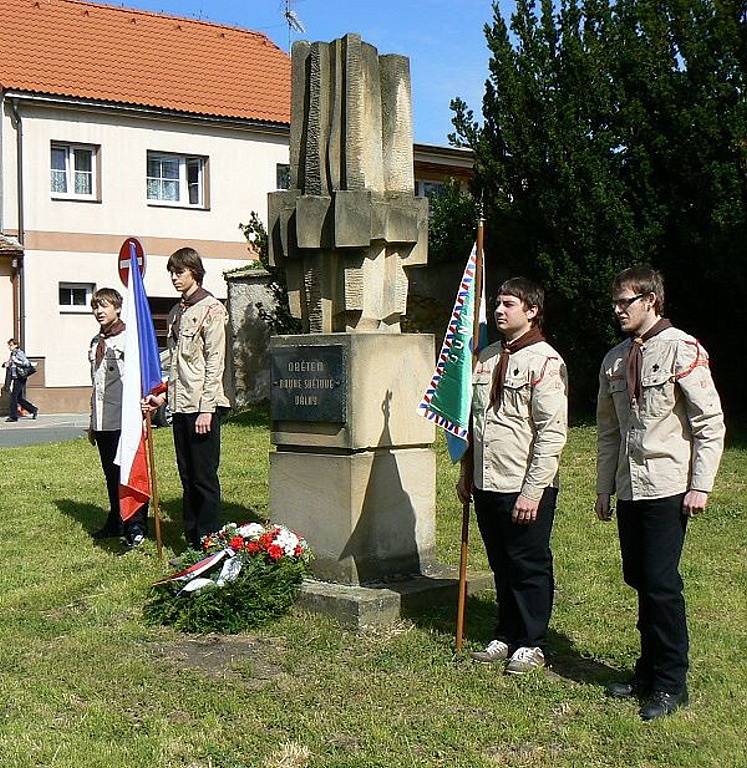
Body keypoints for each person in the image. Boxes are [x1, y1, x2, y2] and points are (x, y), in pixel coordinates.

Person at [596, 266, 725, 721]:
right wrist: (604, 490)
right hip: (631, 488)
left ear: (650, 299)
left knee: (661, 584)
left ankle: (671, 682)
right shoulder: (614, 358)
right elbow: (608, 432)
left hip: (668, 485)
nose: (617, 310)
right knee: (640, 580)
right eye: (614, 302)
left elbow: (709, 422)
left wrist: (701, 485)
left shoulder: (681, 349)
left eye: (624, 301)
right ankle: (647, 670)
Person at [457, 277, 568, 674]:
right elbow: (474, 423)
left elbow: (551, 432)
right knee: (501, 562)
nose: (498, 311)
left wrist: (532, 491)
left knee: (528, 563)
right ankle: (506, 632)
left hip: (523, 483)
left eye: (508, 305)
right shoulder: (485, 357)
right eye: (497, 304)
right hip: (488, 480)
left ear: (532, 310)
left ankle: (532, 641)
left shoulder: (545, 361)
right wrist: (468, 472)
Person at [144, 247, 230, 549]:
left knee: (204, 478)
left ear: (195, 271)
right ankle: (193, 539)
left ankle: (210, 540)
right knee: (187, 476)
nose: (174, 278)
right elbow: (178, 364)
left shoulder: (212, 309)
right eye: (171, 272)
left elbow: (214, 362)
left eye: (179, 272)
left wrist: (207, 409)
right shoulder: (176, 312)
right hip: (180, 406)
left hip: (202, 406)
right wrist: (163, 397)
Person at [87, 288, 147, 546]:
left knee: (129, 473)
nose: (99, 311)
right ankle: (116, 520)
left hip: (125, 419)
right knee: (111, 474)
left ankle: (135, 524)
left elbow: (139, 378)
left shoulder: (128, 340)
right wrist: (92, 422)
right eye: (95, 307)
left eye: (104, 306)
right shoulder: (95, 342)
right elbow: (96, 386)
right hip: (104, 420)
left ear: (118, 308)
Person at [3, 338, 38, 422]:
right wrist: (6, 364)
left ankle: (13, 416)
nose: (9, 347)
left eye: (11, 345)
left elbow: (26, 363)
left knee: (13, 397)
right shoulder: (13, 353)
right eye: (9, 345)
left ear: (16, 345)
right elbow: (12, 364)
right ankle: (33, 409)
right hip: (16, 377)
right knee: (18, 398)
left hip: (20, 378)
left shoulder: (19, 353)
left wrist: (16, 361)